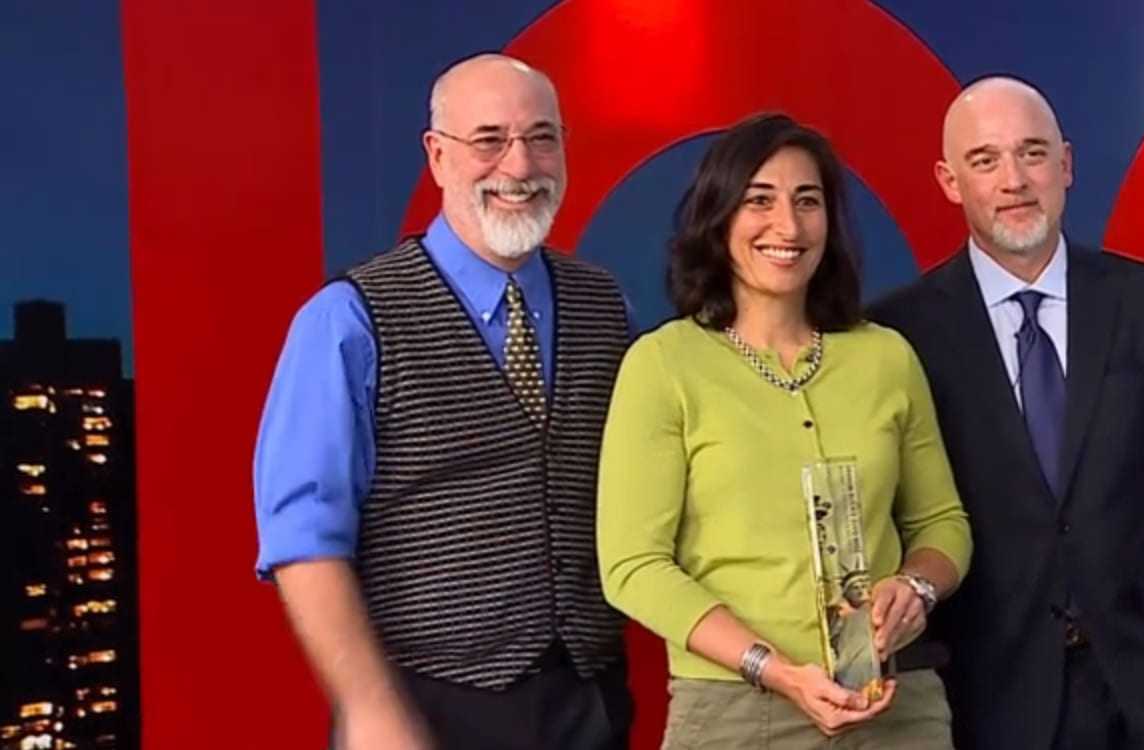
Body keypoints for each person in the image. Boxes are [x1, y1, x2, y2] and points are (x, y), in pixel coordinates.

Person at [252, 53, 634, 750]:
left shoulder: (604, 304)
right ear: (436, 155)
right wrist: (368, 708)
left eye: (541, 137)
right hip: (425, 710)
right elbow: (303, 540)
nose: (519, 166)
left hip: (592, 702)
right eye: (489, 139)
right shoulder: (348, 320)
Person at [597, 112, 972, 749]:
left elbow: (944, 523)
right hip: (735, 715)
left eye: (808, 201)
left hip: (896, 707)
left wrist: (915, 588)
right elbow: (633, 566)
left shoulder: (886, 358)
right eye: (759, 201)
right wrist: (773, 670)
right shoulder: (665, 365)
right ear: (717, 219)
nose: (788, 227)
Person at [868, 76, 1144, 749]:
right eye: (985, 161)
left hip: (1139, 691)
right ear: (949, 180)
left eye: (1033, 153)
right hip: (987, 695)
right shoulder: (899, 334)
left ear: (1067, 165)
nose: (1014, 179)